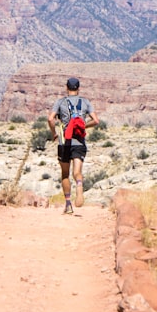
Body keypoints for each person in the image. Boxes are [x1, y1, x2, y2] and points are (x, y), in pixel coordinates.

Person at [48, 77, 99, 214]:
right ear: (78, 88)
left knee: (65, 174)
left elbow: (50, 119)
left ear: (66, 87)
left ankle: (68, 204)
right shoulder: (85, 102)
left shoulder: (60, 102)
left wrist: (54, 133)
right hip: (79, 142)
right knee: (77, 172)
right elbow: (96, 121)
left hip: (64, 143)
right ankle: (80, 185)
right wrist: (84, 126)